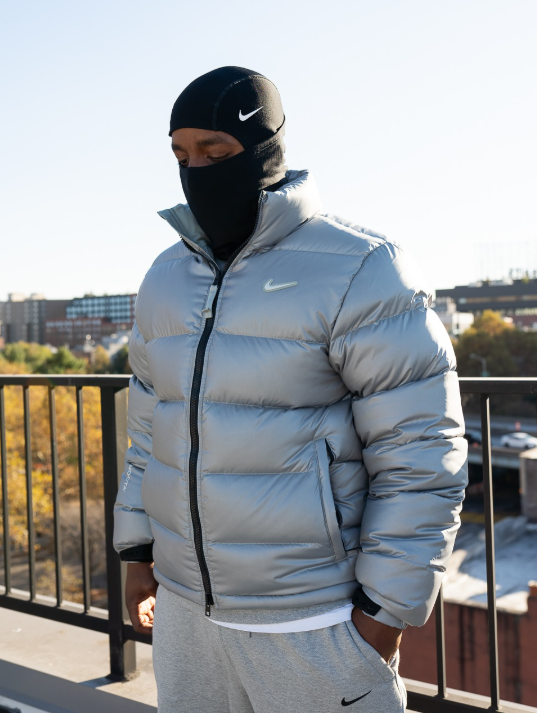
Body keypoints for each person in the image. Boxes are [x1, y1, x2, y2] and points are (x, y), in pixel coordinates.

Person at [113, 66, 468, 713]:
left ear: (264, 149)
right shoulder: (165, 276)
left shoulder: (361, 266)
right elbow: (147, 430)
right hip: (186, 616)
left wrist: (383, 615)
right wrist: (138, 552)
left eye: (215, 151)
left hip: (312, 619)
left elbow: (422, 454)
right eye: (181, 155)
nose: (196, 170)